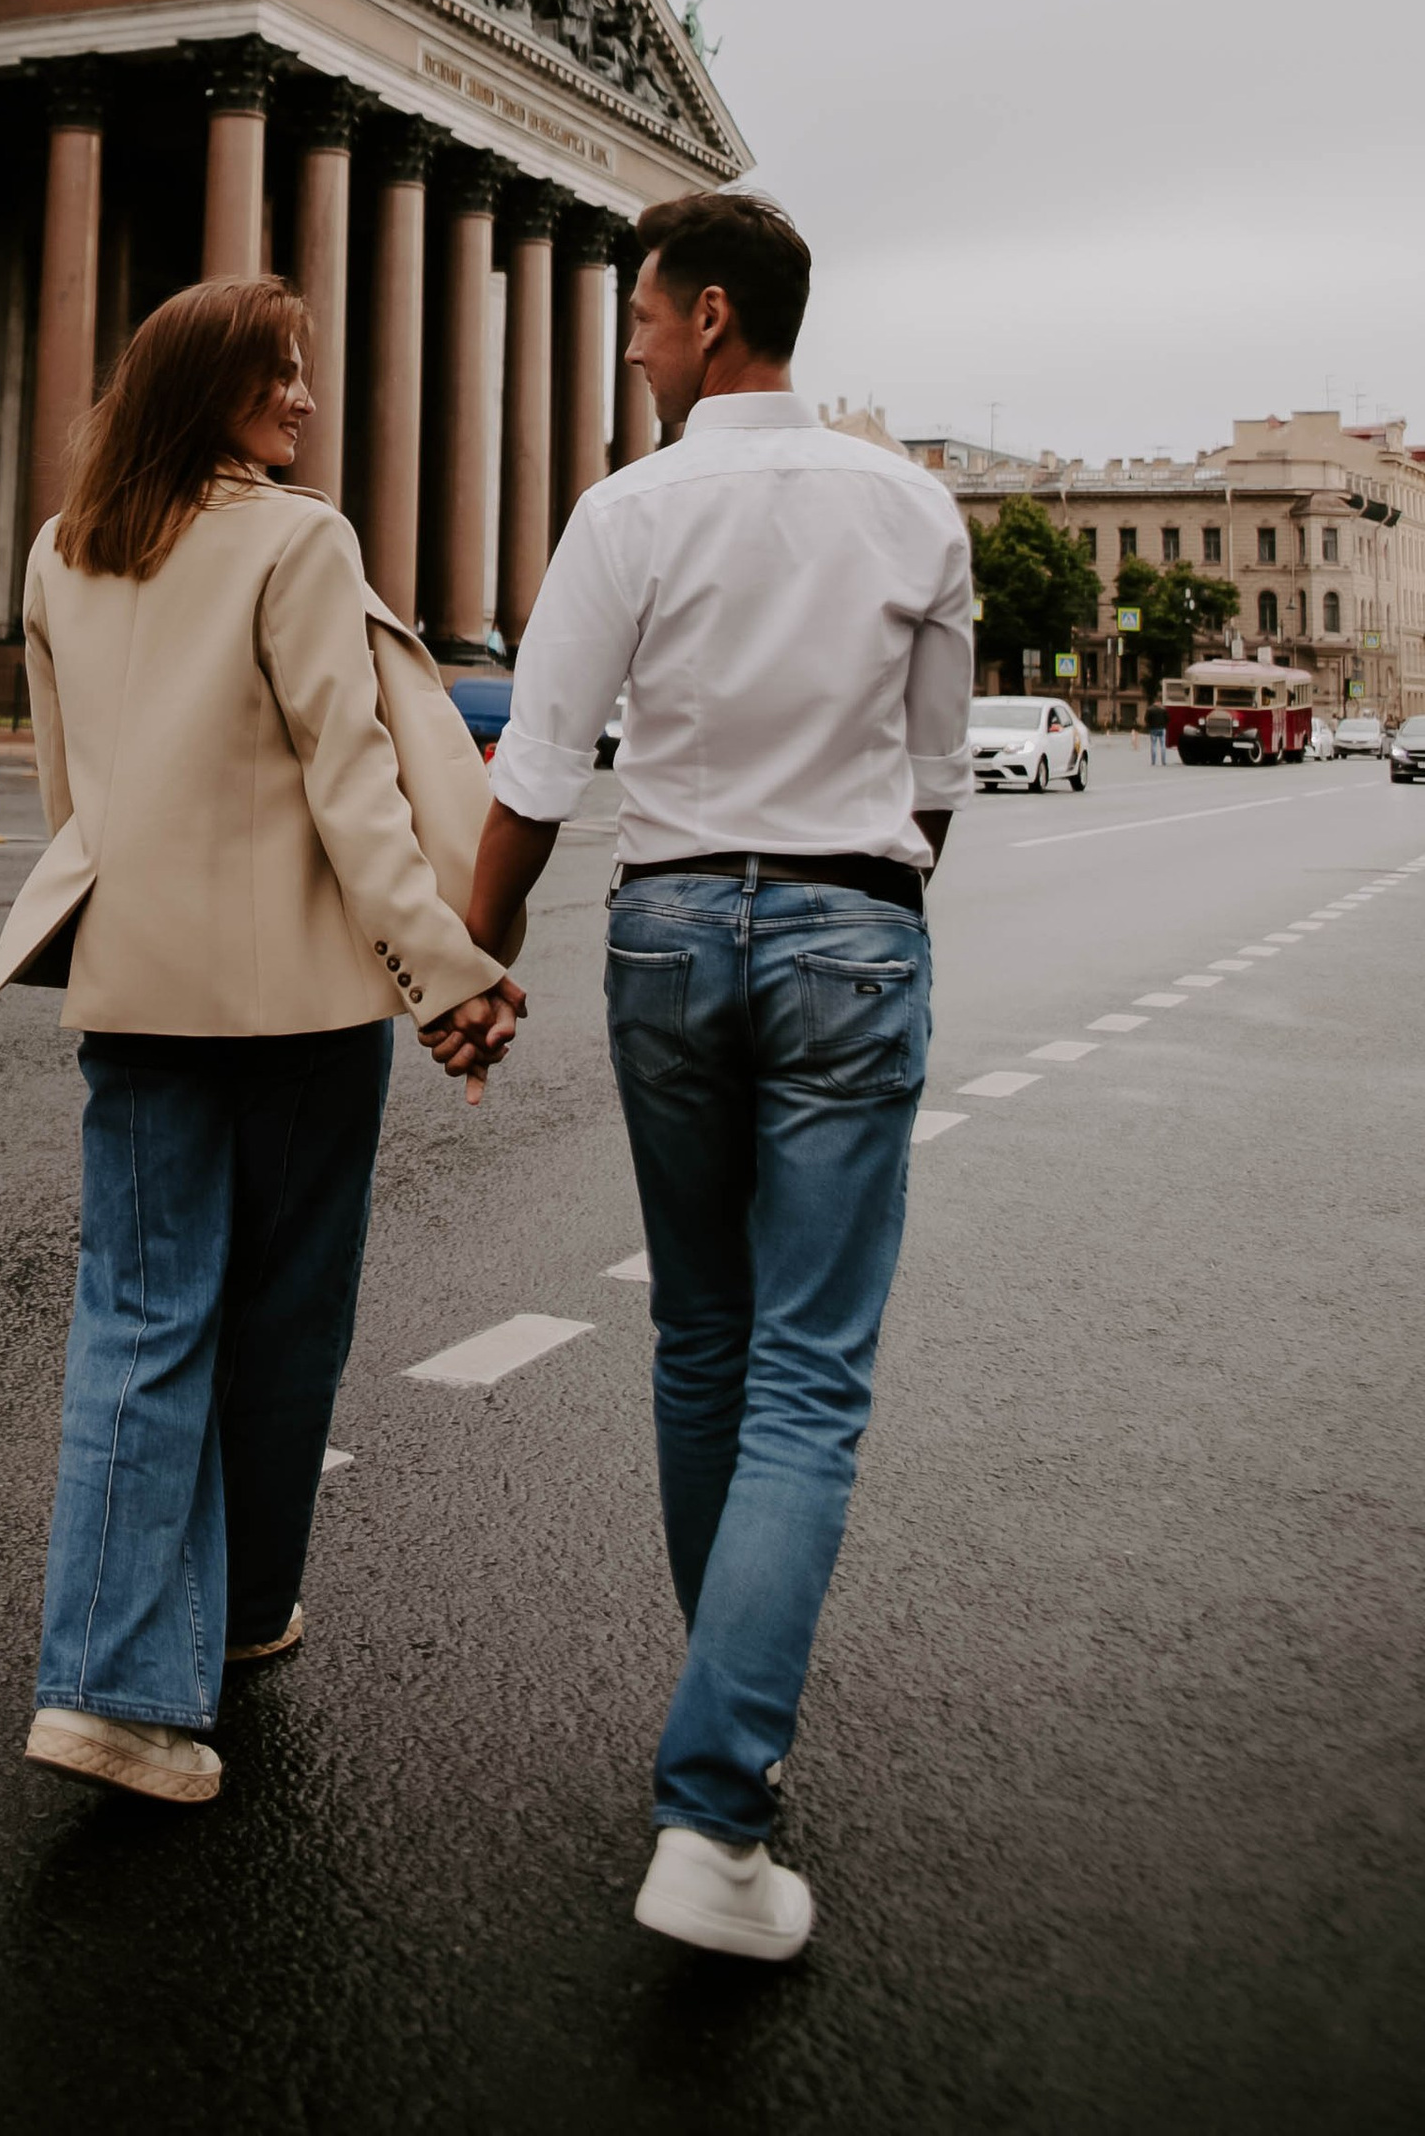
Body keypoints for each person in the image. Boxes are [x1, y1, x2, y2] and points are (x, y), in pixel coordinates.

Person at [464, 192, 970, 1965]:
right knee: (811, 1375)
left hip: (669, 929)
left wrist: (476, 956)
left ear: (719, 316)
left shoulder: (626, 509)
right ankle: (717, 1793)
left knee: (700, 1334)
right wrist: (852, 912)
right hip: (849, 917)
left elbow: (536, 764)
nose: (635, 342)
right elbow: (930, 785)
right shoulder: (911, 504)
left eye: (647, 318)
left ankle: (723, 1704)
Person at [0, 275, 521, 1811]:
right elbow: (353, 786)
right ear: (204, 384)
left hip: (135, 988)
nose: (303, 397)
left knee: (141, 1319)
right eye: (277, 373)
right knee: (286, 1316)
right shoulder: (300, 541)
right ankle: (233, 1620)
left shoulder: (63, 549)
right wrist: (449, 973)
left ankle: (107, 1680)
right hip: (299, 1007)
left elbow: (66, 789)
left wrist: (121, 917)